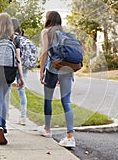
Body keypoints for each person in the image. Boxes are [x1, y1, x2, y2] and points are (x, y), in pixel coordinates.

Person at [38, 11, 76, 148]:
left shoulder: (46, 32)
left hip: (53, 69)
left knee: (48, 99)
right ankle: (70, 136)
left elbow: (44, 52)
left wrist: (41, 71)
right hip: (67, 69)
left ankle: (47, 129)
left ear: (48, 19)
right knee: (66, 101)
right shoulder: (65, 33)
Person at [0, 13, 24, 145]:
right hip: (8, 71)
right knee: (4, 99)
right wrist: (21, 77)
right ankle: (4, 125)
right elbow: (18, 60)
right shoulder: (14, 38)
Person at [12, 18, 27, 125]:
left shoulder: (12, 38)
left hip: (13, 65)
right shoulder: (23, 38)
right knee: (22, 92)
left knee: (6, 91)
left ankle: (4, 116)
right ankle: (23, 116)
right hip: (24, 66)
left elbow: (17, 57)